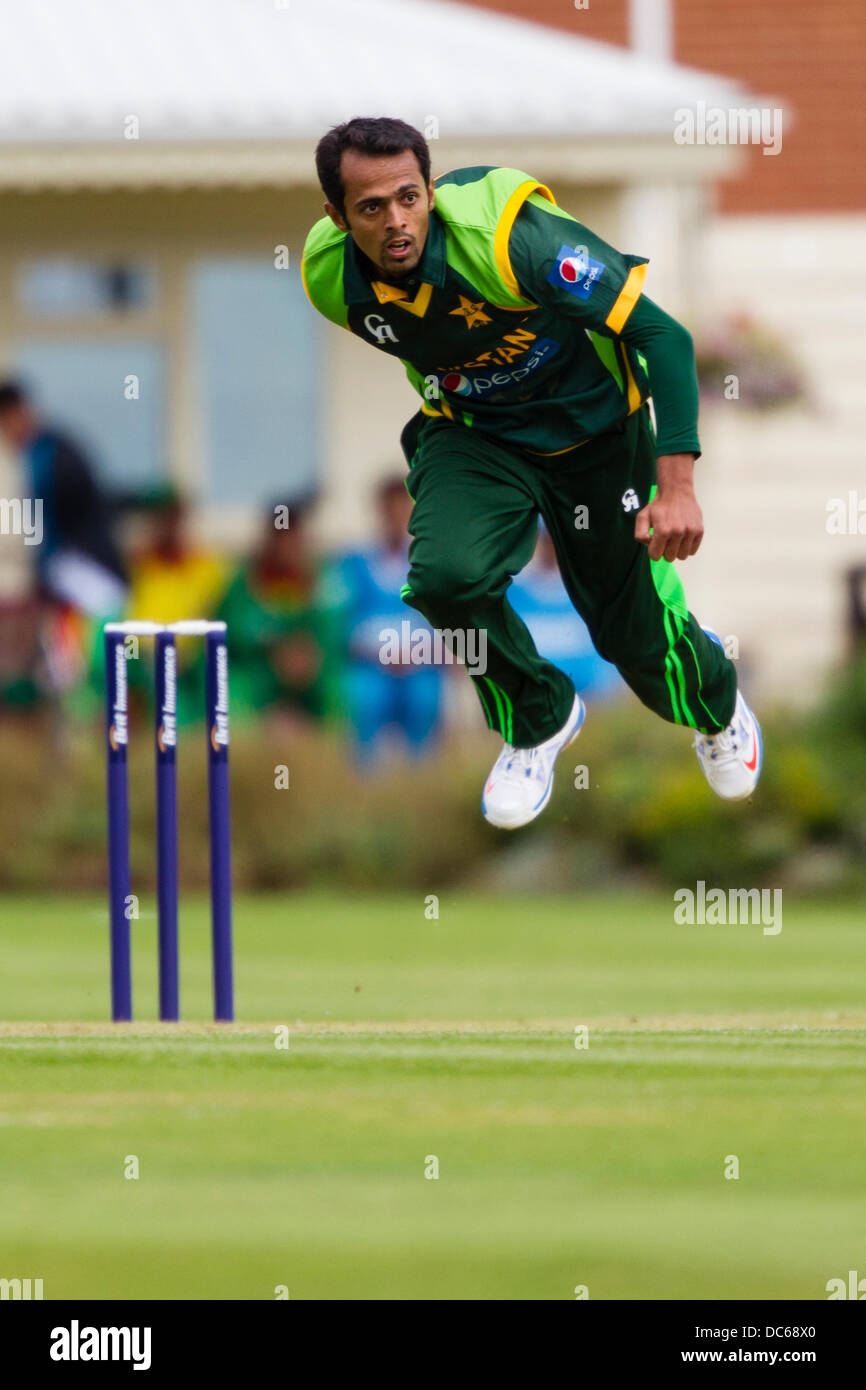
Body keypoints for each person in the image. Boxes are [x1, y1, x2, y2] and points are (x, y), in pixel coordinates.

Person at [302, 117, 762, 830]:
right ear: (337, 216)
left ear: (430, 190)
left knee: (632, 642)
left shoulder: (510, 239)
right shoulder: (329, 279)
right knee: (445, 580)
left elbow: (663, 337)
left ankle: (718, 708)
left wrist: (676, 488)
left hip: (596, 434)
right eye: (371, 207)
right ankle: (537, 719)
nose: (396, 221)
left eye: (409, 197)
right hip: (477, 435)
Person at [336, 476, 444, 767]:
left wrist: (418, 654)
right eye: (390, 510)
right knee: (366, 698)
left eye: (402, 510)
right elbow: (342, 623)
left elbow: (446, 624)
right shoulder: (354, 563)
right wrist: (380, 653)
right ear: (380, 511)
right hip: (370, 666)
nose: (396, 518)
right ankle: (365, 775)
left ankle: (422, 776)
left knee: (424, 699)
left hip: (420, 667)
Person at [0, 379, 127, 618]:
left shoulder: (47, 454)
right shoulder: (36, 452)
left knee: (106, 616)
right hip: (56, 567)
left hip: (77, 560)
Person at [215, 497, 343, 725]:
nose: (287, 547)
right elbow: (229, 630)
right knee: (233, 692)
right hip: (257, 676)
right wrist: (273, 648)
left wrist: (308, 654)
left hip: (312, 678)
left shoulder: (323, 582)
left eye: (293, 538)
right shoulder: (244, 584)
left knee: (340, 689)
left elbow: (333, 631)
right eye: (281, 538)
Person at [509, 524, 624, 706]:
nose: (553, 546)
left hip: (592, 702)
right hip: (531, 702)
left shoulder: (592, 591)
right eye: (548, 539)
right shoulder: (514, 592)